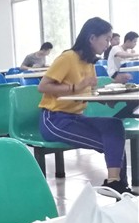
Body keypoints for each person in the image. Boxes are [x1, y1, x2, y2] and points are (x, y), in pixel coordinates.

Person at [38, 17, 136, 195]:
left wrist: (107, 97)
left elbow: (87, 93)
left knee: (114, 126)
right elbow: (43, 86)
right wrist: (76, 87)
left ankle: (116, 184)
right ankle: (118, 189)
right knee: (113, 144)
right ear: (92, 38)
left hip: (76, 117)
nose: (108, 43)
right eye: (106, 38)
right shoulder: (68, 58)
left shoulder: (89, 62)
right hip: (54, 119)